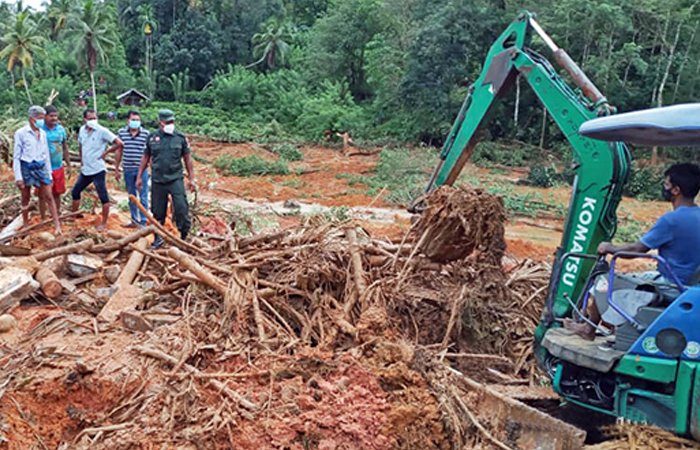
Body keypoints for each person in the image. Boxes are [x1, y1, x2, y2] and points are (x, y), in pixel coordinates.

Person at [566, 163, 700, 340]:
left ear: (676, 190)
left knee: (604, 281)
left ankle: (588, 329)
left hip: (671, 284)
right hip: (689, 284)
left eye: (666, 184)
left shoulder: (671, 220)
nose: (664, 187)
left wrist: (610, 248)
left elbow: (637, 250)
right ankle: (600, 322)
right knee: (638, 276)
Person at [136, 109, 196, 249]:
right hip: (158, 180)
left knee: (181, 208)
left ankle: (184, 238)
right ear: (160, 123)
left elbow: (188, 159)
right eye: (168, 122)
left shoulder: (180, 138)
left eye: (172, 121)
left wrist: (192, 179)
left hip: (175, 179)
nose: (171, 124)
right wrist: (139, 176)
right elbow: (146, 158)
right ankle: (158, 239)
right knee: (158, 212)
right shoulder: (152, 138)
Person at [71, 109, 123, 232]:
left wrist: (106, 152)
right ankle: (74, 216)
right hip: (86, 169)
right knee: (75, 191)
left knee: (103, 196)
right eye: (90, 118)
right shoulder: (82, 131)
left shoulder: (102, 131)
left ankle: (104, 223)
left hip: (98, 169)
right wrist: (81, 160)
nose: (93, 121)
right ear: (84, 119)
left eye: (94, 118)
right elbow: (81, 146)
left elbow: (119, 143)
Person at [13, 106, 62, 234]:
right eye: (40, 118)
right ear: (32, 119)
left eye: (43, 118)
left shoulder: (43, 133)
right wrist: (19, 177)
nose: (42, 121)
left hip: (41, 166)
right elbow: (16, 157)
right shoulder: (21, 133)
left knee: (49, 196)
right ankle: (25, 224)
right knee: (25, 197)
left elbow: (45, 154)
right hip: (26, 167)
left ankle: (57, 225)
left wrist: (49, 175)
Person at [116, 111, 150, 228]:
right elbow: (119, 151)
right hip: (128, 169)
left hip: (142, 170)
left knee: (143, 196)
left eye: (137, 120)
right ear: (128, 121)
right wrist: (116, 168)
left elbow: (149, 153)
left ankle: (144, 221)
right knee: (131, 196)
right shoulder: (122, 133)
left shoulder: (146, 134)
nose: (135, 122)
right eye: (133, 119)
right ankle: (134, 220)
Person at [38, 105, 70, 219]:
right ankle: (43, 218)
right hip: (43, 167)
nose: (54, 118)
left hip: (58, 167)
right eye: (51, 116)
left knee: (57, 193)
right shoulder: (39, 128)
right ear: (45, 117)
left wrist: (68, 164)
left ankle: (55, 215)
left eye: (55, 116)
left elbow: (65, 147)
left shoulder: (60, 129)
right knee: (42, 194)